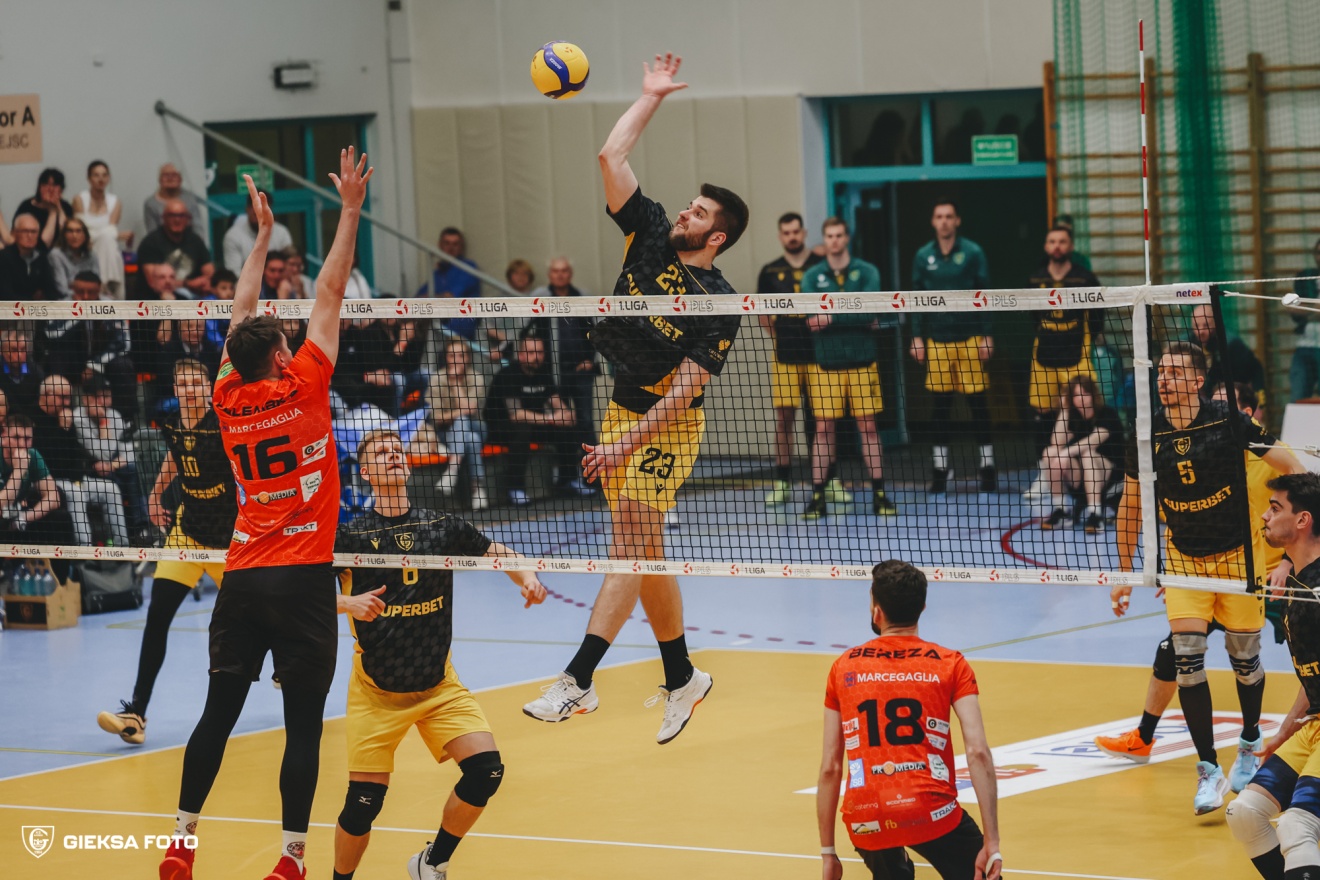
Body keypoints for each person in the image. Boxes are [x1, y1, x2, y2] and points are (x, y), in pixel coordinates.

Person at [521, 53, 748, 743]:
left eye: (698, 212)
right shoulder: (648, 233)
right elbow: (610, 154)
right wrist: (651, 96)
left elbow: (683, 394)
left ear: (716, 237)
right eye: (688, 203)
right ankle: (683, 676)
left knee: (628, 544)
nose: (684, 210)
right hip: (618, 406)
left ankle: (578, 679)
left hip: (665, 427)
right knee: (645, 550)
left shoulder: (720, 301)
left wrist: (622, 445)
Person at [158, 150, 372, 880]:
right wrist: (349, 209)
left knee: (216, 715)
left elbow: (239, 312)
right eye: (286, 339)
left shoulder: (225, 395)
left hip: (244, 576)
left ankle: (182, 842)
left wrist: (259, 238)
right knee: (302, 728)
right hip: (304, 578)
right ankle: (290, 859)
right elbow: (332, 288)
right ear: (282, 358)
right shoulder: (305, 382)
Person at [330, 428, 547, 880]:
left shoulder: (440, 526)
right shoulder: (350, 536)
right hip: (377, 691)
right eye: (381, 453)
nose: (393, 455)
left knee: (486, 771)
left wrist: (526, 576)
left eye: (398, 450)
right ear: (365, 472)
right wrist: (348, 603)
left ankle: (432, 862)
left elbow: (498, 552)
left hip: (437, 685)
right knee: (362, 807)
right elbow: (301, 593)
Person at [1109, 341, 1305, 815]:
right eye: (1162, 372)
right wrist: (1125, 571)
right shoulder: (1146, 432)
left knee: (1245, 660)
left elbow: (1293, 469)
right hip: (1184, 560)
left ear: (1198, 380)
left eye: (1176, 372)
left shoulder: (1229, 421)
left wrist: (1291, 553)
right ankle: (1208, 768)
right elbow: (1131, 504)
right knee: (1187, 658)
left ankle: (1250, 741)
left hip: (1239, 558)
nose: (1165, 380)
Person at [817, 560, 1002, 880]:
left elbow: (831, 767)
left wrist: (828, 853)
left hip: (867, 817)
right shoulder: (951, 663)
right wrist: (993, 842)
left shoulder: (842, 667)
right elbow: (978, 752)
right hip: (931, 811)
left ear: (877, 612)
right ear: (922, 608)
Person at [95, 359, 237, 745]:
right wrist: (156, 495)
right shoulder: (172, 424)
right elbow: (175, 457)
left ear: (208, 387)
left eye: (196, 383)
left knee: (258, 616)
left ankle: (285, 667)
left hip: (228, 542)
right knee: (157, 616)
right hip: (187, 536)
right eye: (182, 384)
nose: (189, 390)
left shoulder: (223, 423)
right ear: (174, 389)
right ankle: (136, 714)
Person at [1226, 472, 1320, 880]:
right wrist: (1285, 730)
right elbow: (1313, 675)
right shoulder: (1297, 583)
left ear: (1302, 519)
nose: (1264, 516)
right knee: (1245, 812)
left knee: (1298, 825)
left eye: (1275, 508)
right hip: (1313, 725)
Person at [800, 217, 895, 520]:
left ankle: (879, 493)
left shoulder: (867, 272)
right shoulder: (812, 276)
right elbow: (811, 319)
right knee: (823, 429)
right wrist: (853, 315)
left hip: (862, 362)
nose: (835, 240)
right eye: (829, 236)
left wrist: (831, 318)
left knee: (868, 427)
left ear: (847, 238)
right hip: (826, 364)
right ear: (824, 240)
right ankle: (817, 496)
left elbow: (870, 312)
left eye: (839, 235)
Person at [910, 199, 996, 493]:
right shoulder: (923, 256)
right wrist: (916, 336)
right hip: (937, 340)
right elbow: (915, 298)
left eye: (949, 216)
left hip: (970, 338)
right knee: (941, 408)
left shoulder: (973, 252)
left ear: (957, 220)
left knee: (978, 406)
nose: (944, 221)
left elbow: (985, 293)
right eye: (939, 216)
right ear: (933, 222)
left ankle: (987, 466)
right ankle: (940, 468)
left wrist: (987, 334)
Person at [757, 211, 832, 508]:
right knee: (784, 420)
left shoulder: (820, 265)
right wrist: (780, 334)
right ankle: (782, 482)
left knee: (824, 422)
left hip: (820, 356)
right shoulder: (770, 271)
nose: (792, 237)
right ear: (780, 236)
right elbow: (763, 314)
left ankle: (830, 481)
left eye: (796, 231)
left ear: (804, 233)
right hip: (785, 356)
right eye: (786, 232)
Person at [1026, 224, 1103, 454]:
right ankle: (1044, 464)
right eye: (1052, 242)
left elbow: (1097, 317)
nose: (1057, 246)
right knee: (1042, 410)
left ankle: (1086, 461)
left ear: (1070, 246)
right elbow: (1032, 316)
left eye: (1062, 241)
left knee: (1085, 405)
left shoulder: (1085, 278)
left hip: (1077, 352)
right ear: (1046, 246)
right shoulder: (1035, 279)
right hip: (1044, 353)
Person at [524, 257, 600, 482]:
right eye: (555, 271)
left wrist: (590, 359)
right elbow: (526, 330)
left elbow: (596, 332)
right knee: (563, 422)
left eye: (564, 270)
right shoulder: (541, 299)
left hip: (581, 373)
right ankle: (567, 477)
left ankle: (594, 477)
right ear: (550, 275)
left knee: (585, 421)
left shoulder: (582, 298)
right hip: (553, 374)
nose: (560, 275)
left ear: (570, 273)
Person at [483, 333, 580, 505]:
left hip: (533, 423)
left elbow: (558, 404)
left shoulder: (543, 374)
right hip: (501, 427)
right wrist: (552, 418)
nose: (536, 357)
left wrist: (567, 416)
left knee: (567, 429)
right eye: (531, 352)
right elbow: (516, 414)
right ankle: (515, 488)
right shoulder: (508, 375)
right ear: (521, 355)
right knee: (522, 431)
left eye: (540, 352)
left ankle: (567, 480)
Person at [43, 271, 136, 418]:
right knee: (57, 357)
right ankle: (62, 415)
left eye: (91, 292)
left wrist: (94, 364)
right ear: (73, 289)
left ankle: (126, 419)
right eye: (80, 291)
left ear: (99, 290)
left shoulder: (111, 306)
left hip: (102, 360)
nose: (85, 297)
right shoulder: (60, 305)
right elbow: (52, 335)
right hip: (73, 360)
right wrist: (78, 314)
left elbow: (124, 343)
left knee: (123, 364)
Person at [1037, 374, 1123, 533]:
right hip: (1081, 477)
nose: (1081, 399)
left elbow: (1095, 439)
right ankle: (1062, 511)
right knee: (1049, 453)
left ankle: (1095, 514)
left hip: (1110, 475)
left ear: (1093, 394)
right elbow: (1056, 442)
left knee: (1087, 454)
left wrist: (1066, 453)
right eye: (1076, 395)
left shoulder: (1107, 413)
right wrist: (1064, 410)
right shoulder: (1073, 417)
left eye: (1085, 393)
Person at [73, 374, 148, 532]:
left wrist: (111, 466)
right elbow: (103, 454)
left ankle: (142, 527)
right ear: (85, 399)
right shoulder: (78, 419)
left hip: (110, 467)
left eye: (106, 396)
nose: (102, 402)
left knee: (134, 470)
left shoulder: (115, 415)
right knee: (119, 482)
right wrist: (103, 422)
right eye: (97, 397)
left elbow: (129, 454)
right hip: (88, 471)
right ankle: (126, 532)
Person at [0, 414, 75, 559]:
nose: (22, 444)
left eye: (27, 439)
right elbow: (2, 505)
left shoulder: (33, 455)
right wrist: (19, 471)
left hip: (16, 514)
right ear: (3, 436)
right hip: (3, 516)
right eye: (16, 437)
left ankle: (58, 572)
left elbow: (53, 497)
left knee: (61, 518)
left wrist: (25, 517)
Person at [426, 341, 488, 510]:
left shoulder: (476, 377)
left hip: (477, 426)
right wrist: (459, 413)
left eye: (461, 355)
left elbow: (470, 410)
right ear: (446, 358)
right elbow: (436, 418)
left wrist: (455, 383)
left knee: (465, 423)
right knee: (472, 440)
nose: (456, 360)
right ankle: (477, 490)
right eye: (452, 355)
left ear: (468, 358)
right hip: (446, 432)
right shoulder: (436, 379)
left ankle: (452, 471)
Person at [71, 160, 131, 297]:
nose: (101, 179)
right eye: (96, 175)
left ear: (108, 178)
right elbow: (80, 229)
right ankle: (107, 286)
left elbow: (111, 230)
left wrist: (110, 234)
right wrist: (115, 235)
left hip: (106, 246)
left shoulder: (115, 201)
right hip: (85, 245)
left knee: (107, 240)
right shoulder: (79, 199)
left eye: (104, 175)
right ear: (89, 178)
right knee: (108, 239)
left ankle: (104, 284)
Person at [136, 199, 214, 298]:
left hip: (195, 294)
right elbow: (154, 282)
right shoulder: (150, 243)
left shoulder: (195, 240)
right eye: (172, 215)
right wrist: (188, 284)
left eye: (181, 216)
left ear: (188, 219)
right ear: (163, 218)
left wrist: (205, 283)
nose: (177, 220)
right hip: (158, 298)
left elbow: (210, 272)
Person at [416, 227, 481, 341]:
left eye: (455, 244)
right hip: (436, 324)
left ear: (461, 247)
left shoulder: (468, 267)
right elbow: (416, 300)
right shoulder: (437, 273)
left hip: (460, 324)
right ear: (440, 245)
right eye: (447, 243)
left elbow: (450, 298)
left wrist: (431, 298)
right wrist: (437, 298)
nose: (451, 248)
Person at [222, 189, 293, 271]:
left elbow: (290, 265)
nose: (260, 213)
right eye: (256, 210)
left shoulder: (282, 232)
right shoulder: (233, 236)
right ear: (248, 209)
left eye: (264, 210)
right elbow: (234, 272)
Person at [1287, 237, 1320, 402]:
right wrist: (1314, 308)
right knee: (1298, 398)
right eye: (1318, 253)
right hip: (1305, 347)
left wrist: (1308, 309)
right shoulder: (1306, 277)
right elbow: (1293, 308)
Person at [0, 213, 56, 300]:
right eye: (25, 231)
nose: (29, 236)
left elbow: (51, 292)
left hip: (38, 307)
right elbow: (5, 295)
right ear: (14, 233)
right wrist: (32, 300)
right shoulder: (3, 257)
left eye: (33, 232)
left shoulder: (42, 258)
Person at [12, 167, 71, 249]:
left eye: (55, 185)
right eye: (46, 184)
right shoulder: (27, 206)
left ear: (61, 189)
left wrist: (58, 207)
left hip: (61, 251)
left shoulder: (65, 206)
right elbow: (44, 243)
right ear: (39, 187)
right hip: (34, 250)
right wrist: (52, 211)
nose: (50, 189)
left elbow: (68, 235)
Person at [143, 163, 204, 234]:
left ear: (180, 180)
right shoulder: (150, 204)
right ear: (159, 180)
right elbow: (152, 233)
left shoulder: (190, 198)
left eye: (174, 175)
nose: (170, 178)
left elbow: (197, 227)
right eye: (166, 175)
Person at [47, 217, 98, 299]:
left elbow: (96, 282)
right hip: (68, 297)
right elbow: (62, 288)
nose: (74, 235)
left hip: (90, 296)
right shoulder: (56, 255)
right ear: (64, 235)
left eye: (78, 231)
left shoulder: (92, 255)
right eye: (70, 231)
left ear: (85, 235)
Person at [0, 328, 46, 416]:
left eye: (23, 349)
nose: (19, 355)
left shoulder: (37, 372)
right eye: (14, 350)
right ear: (2, 351)